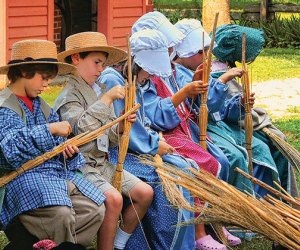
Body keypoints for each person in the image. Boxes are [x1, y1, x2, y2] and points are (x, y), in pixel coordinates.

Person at [131, 11, 233, 250]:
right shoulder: (141, 80)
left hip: (182, 130)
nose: (169, 54)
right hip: (162, 137)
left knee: (222, 160)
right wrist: (184, 94)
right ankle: (198, 233)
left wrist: (199, 87)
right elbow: (153, 118)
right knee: (197, 166)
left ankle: (213, 222)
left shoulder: (171, 72)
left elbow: (198, 107)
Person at [0, 39, 106, 249]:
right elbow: (10, 149)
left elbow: (57, 144)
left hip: (50, 177)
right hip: (19, 179)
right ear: (23, 71)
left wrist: (67, 151)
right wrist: (50, 130)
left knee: (94, 209)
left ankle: (52, 244)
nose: (47, 85)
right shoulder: (5, 107)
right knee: (62, 214)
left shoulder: (43, 107)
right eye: (43, 78)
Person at [52, 32, 153, 250]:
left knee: (145, 193)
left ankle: (118, 243)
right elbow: (81, 130)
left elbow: (109, 139)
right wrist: (106, 100)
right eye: (96, 62)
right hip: (80, 166)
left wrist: (121, 127)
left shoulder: (96, 90)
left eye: (103, 64)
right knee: (114, 200)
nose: (101, 69)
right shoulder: (69, 96)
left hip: (102, 163)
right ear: (76, 58)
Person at [100, 29, 198, 250]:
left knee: (185, 168)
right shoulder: (113, 79)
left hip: (139, 148)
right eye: (149, 71)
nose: (152, 77)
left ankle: (180, 245)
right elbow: (124, 128)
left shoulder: (135, 78)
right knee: (164, 183)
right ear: (138, 62)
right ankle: (150, 244)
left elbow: (143, 119)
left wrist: (155, 141)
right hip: (118, 153)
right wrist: (153, 146)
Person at [172, 19, 284, 199]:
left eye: (207, 50)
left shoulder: (197, 69)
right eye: (201, 51)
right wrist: (222, 81)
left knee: (260, 148)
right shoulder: (177, 75)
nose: (206, 55)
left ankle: (266, 203)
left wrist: (239, 104)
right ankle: (240, 210)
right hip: (197, 130)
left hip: (218, 127)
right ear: (184, 52)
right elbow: (201, 108)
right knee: (235, 157)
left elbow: (219, 111)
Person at [211, 23, 298, 197]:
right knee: (264, 148)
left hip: (236, 122)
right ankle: (268, 198)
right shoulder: (217, 74)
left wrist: (245, 105)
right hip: (229, 127)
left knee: (277, 139)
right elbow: (223, 111)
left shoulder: (229, 69)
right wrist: (247, 110)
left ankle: (285, 198)